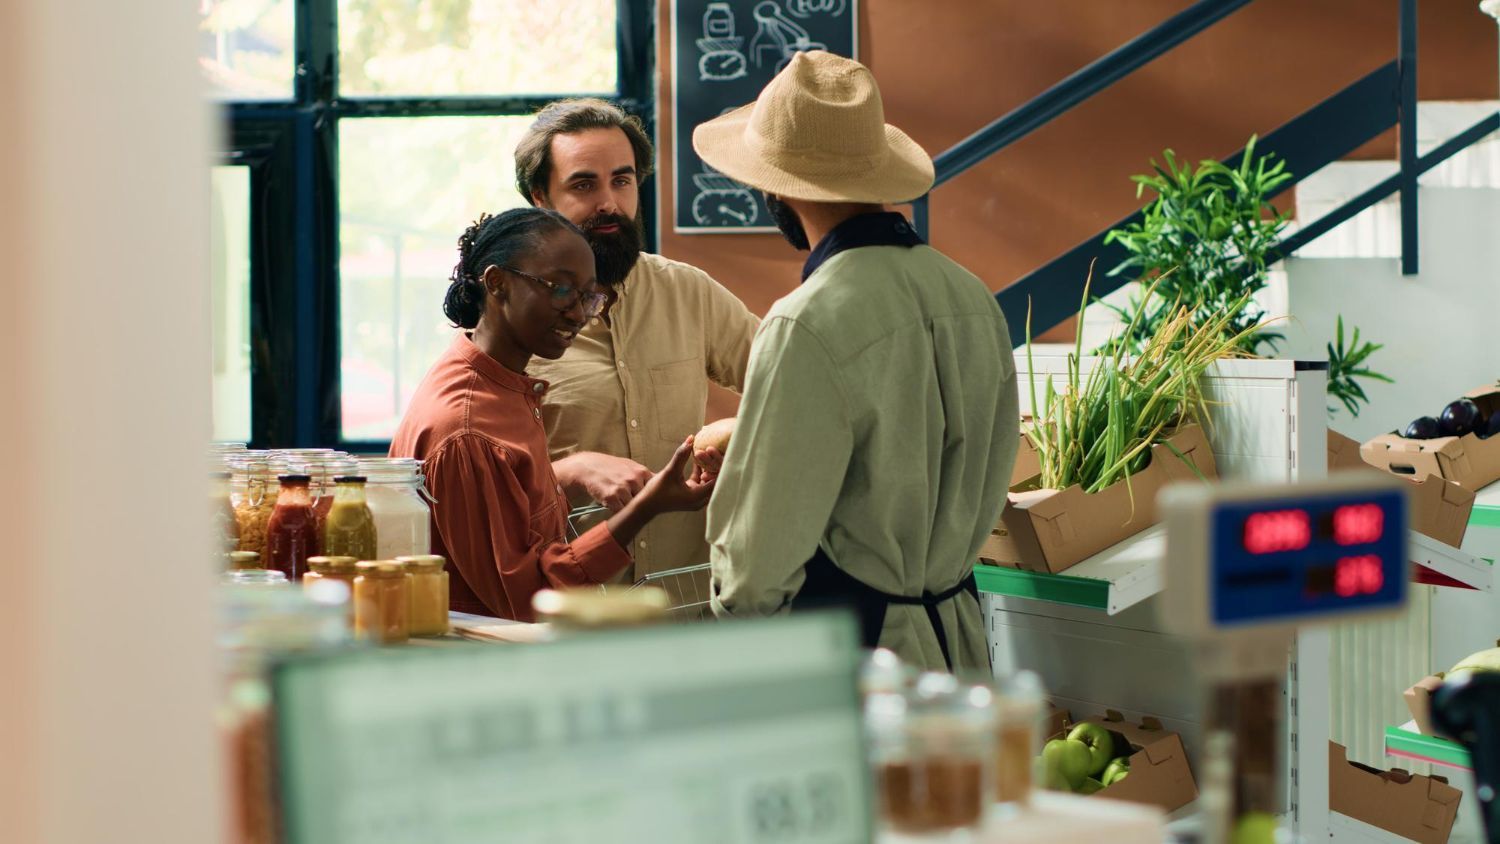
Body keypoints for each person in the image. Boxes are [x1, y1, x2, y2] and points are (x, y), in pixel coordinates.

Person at [693, 52, 1020, 672]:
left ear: (778, 186)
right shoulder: (972, 296)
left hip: (859, 667)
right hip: (962, 649)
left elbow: (757, 567)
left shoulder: (805, 321)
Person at [389, 208, 714, 621]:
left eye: (587, 296)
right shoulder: (469, 429)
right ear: (497, 283)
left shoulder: (498, 382)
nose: (578, 314)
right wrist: (645, 509)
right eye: (559, 290)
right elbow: (533, 603)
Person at [515, 98, 760, 582]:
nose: (609, 202)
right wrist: (569, 469)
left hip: (685, 606)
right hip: (572, 614)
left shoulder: (687, 290)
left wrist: (740, 438)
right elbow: (473, 476)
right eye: (584, 184)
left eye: (622, 181)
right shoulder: (509, 318)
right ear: (540, 197)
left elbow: (790, 376)